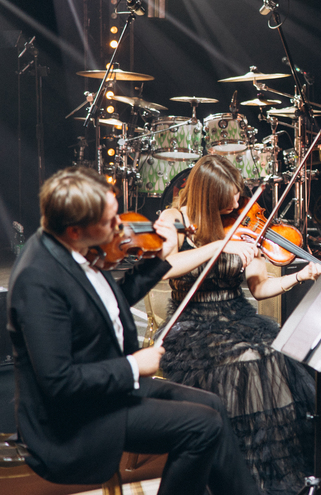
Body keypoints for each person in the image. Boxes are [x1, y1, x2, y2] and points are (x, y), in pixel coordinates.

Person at [6, 167, 259, 495]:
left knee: (213, 405)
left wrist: (162, 260)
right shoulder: (38, 280)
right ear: (74, 229)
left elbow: (116, 300)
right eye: (110, 222)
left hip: (105, 393)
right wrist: (134, 366)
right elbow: (59, 382)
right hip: (71, 420)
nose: (120, 228)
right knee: (202, 426)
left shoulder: (75, 251)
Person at [155, 155, 321, 495]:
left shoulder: (239, 224)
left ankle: (278, 472)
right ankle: (239, 476)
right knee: (246, 362)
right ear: (209, 194)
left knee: (274, 356)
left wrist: (301, 275)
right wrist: (218, 246)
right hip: (193, 326)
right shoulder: (174, 219)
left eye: (238, 193)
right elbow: (166, 267)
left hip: (237, 317)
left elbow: (260, 289)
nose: (237, 202)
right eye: (229, 196)